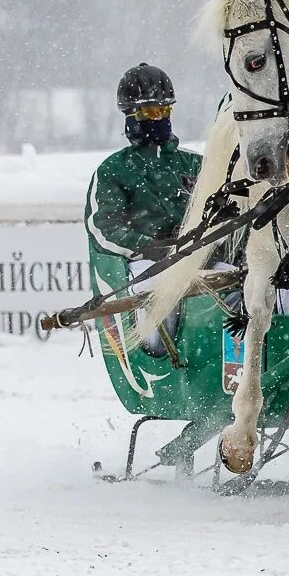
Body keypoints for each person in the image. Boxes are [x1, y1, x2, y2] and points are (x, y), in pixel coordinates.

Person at [84, 63, 202, 358]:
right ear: (131, 117)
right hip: (144, 263)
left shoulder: (196, 165)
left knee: (245, 286)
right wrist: (148, 247)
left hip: (200, 255)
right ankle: (165, 356)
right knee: (164, 292)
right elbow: (104, 226)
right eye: (150, 113)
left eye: (165, 111)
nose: (159, 118)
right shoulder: (113, 170)